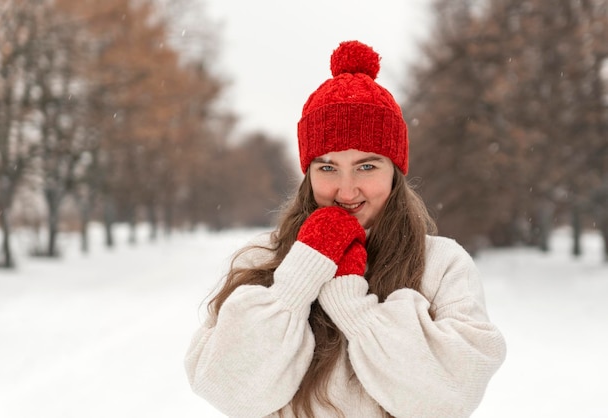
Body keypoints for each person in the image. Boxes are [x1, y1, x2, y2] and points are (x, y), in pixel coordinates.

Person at [184, 40, 506, 418]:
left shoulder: (441, 264)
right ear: (308, 173)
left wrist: (353, 306)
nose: (347, 190)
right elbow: (228, 391)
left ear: (395, 172)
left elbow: (450, 397)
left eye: (367, 167)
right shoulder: (266, 258)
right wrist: (296, 281)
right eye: (327, 167)